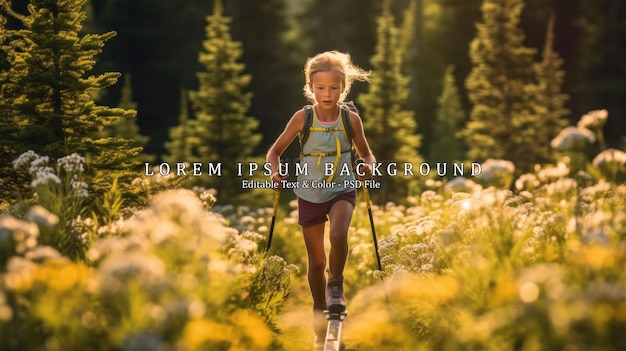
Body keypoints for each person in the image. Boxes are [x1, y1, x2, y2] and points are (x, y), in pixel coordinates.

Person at [266, 50, 376, 344]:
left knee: (339, 235)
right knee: (315, 262)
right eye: (320, 88)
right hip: (309, 194)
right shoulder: (303, 118)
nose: (327, 94)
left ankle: (336, 285)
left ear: (344, 88)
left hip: (342, 188)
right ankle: (318, 307)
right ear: (310, 87)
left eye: (334, 88)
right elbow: (274, 152)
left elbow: (366, 154)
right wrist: (276, 172)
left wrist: (366, 165)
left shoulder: (350, 119)